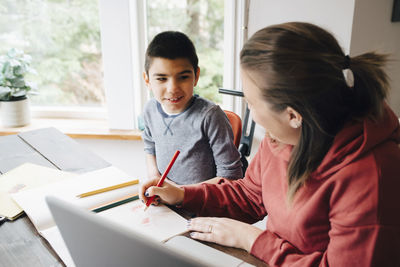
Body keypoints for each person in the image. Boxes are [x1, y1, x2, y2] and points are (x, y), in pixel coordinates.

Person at [140, 22, 400, 266]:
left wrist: (251, 239)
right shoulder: (282, 137)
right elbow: (250, 197)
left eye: (251, 103)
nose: (248, 110)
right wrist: (184, 194)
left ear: (292, 115)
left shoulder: (372, 175)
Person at [142, 31, 242, 185]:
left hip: (201, 205)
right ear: (147, 80)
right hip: (165, 202)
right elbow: (150, 148)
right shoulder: (150, 110)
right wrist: (155, 178)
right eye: (162, 78)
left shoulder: (211, 116)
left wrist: (181, 194)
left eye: (183, 77)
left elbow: (231, 177)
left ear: (196, 76)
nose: (172, 88)